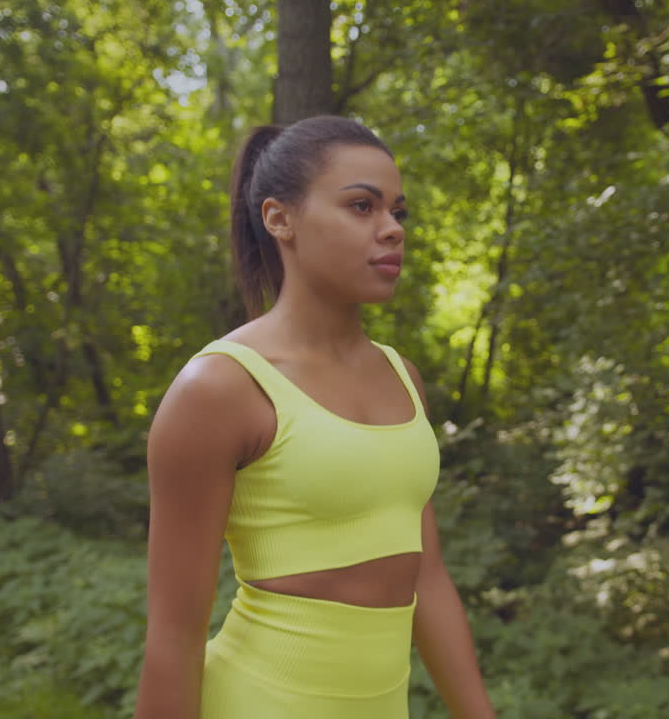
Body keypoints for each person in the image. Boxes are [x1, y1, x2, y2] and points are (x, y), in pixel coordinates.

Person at [133, 115, 497, 719]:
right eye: (362, 207)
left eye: (397, 213)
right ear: (280, 219)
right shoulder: (221, 386)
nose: (391, 230)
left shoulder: (402, 376)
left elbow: (426, 577)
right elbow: (173, 636)